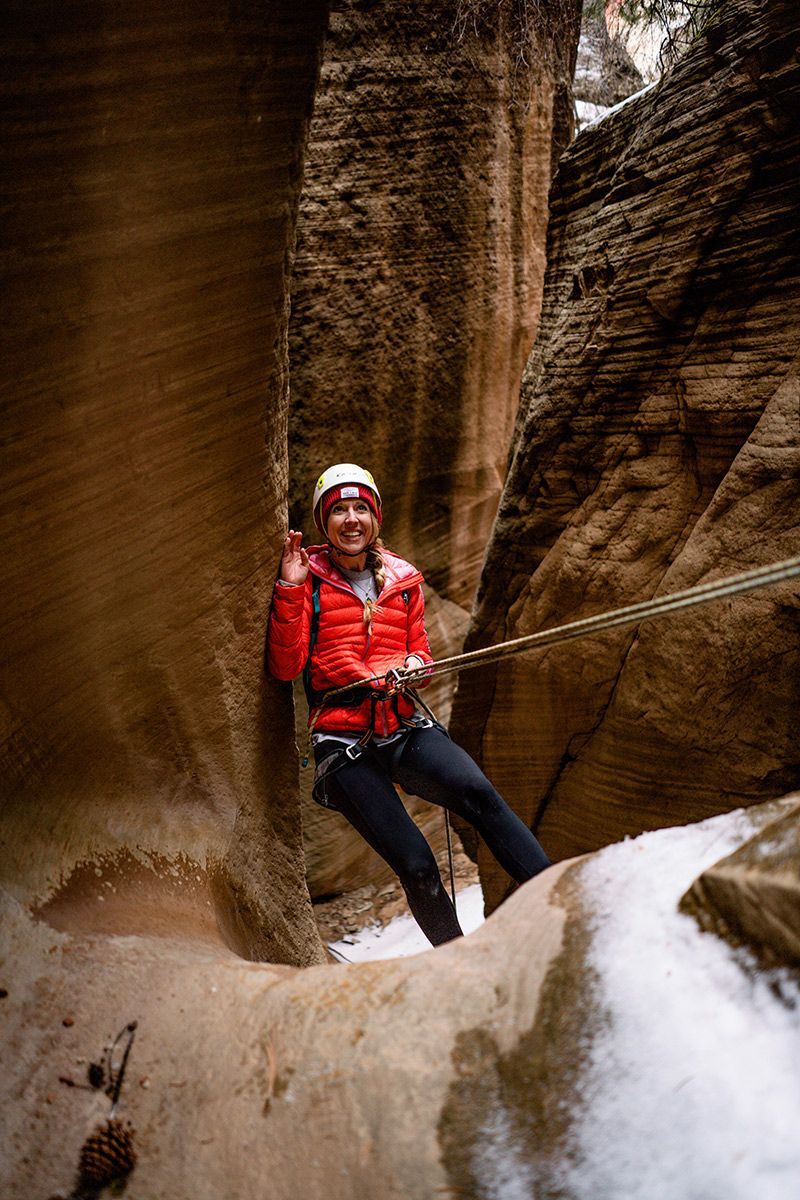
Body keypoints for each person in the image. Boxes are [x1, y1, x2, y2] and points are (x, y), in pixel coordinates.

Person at [267, 463, 550, 946]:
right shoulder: (308, 579)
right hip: (344, 740)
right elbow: (287, 665)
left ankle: (558, 898)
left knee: (480, 795)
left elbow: (421, 649)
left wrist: (414, 664)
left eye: (360, 508)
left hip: (402, 724)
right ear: (323, 521)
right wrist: (291, 588)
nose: (351, 519)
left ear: (375, 518)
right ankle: (457, 962)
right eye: (339, 510)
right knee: (418, 867)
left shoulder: (402, 579)